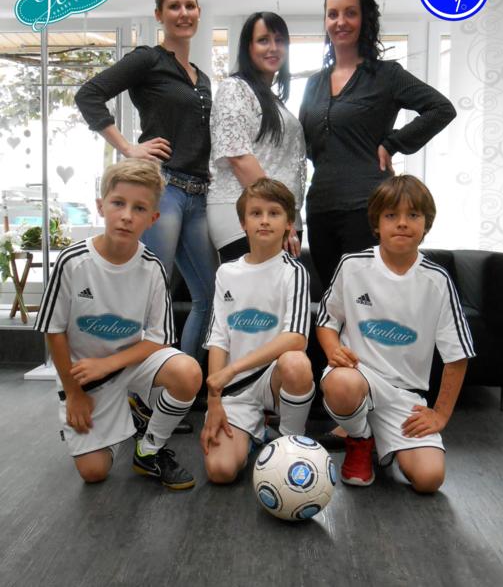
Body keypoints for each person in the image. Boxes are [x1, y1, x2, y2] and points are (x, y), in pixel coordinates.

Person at [75, 0, 218, 364]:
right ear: (159, 15)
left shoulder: (202, 79)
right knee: (152, 293)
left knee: (210, 295)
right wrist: (127, 148)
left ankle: (182, 383)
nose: (183, 13)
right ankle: (138, 382)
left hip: (200, 195)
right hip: (164, 190)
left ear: (198, 12)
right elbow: (88, 95)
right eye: (174, 6)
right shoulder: (148, 59)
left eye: (189, 6)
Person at [34, 160, 202, 489]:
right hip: (84, 376)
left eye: (139, 208)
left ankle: (149, 449)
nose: (127, 216)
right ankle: (126, 413)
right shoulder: (72, 262)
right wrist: (73, 393)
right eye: (118, 203)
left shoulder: (152, 267)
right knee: (94, 472)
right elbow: (54, 331)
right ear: (101, 206)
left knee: (188, 372)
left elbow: (158, 338)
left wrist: (108, 363)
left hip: (130, 362)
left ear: (153, 218)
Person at [317, 175, 475, 493]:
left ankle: (379, 435)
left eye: (412, 215)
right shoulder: (352, 265)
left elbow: (457, 355)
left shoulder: (437, 280)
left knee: (429, 479)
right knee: (342, 382)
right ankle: (360, 439)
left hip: (405, 396)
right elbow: (326, 321)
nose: (402, 223)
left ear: (426, 223)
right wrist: (333, 349)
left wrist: (440, 415)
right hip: (358, 379)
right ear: (377, 223)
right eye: (391, 215)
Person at [300, 0, 457, 290]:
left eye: (350, 13)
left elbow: (441, 109)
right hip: (320, 209)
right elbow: (307, 144)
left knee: (370, 300)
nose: (340, 22)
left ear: (365, 19)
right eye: (333, 14)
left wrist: (393, 143)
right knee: (335, 301)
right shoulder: (314, 83)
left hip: (367, 208)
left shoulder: (386, 75)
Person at [201, 178, 315, 483]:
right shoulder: (226, 272)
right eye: (256, 213)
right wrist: (214, 401)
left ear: (289, 224)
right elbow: (218, 338)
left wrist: (232, 369)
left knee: (296, 362)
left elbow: (296, 338)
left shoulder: (294, 272)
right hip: (235, 389)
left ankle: (290, 443)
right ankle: (256, 432)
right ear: (243, 223)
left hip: (273, 380)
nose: (264, 220)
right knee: (220, 471)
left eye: (274, 213)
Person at [207, 12, 306, 263]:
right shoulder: (234, 88)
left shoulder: (271, 98)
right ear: (248, 47)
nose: (273, 47)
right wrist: (274, 213)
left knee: (281, 288)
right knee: (252, 289)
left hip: (276, 213)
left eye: (280, 40)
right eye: (263, 40)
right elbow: (239, 157)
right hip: (246, 211)